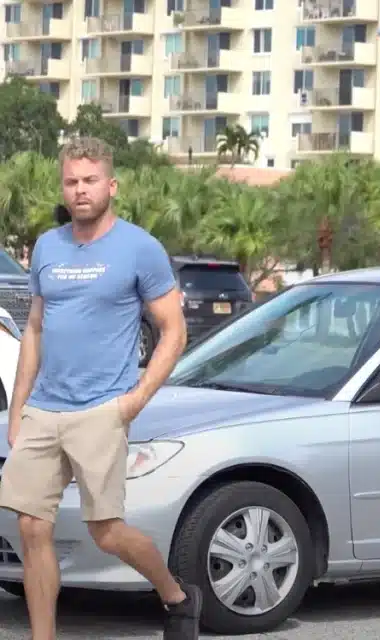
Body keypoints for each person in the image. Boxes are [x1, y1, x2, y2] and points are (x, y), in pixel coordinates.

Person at [0, 136, 202, 640]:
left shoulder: (139, 247)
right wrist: (18, 407)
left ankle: (176, 595)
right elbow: (37, 329)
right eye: (71, 181)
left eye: (90, 180)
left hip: (101, 408)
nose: (80, 190)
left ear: (110, 185)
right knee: (30, 526)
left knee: (106, 532)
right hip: (44, 407)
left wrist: (133, 401)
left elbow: (174, 331)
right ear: (63, 188)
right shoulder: (48, 246)